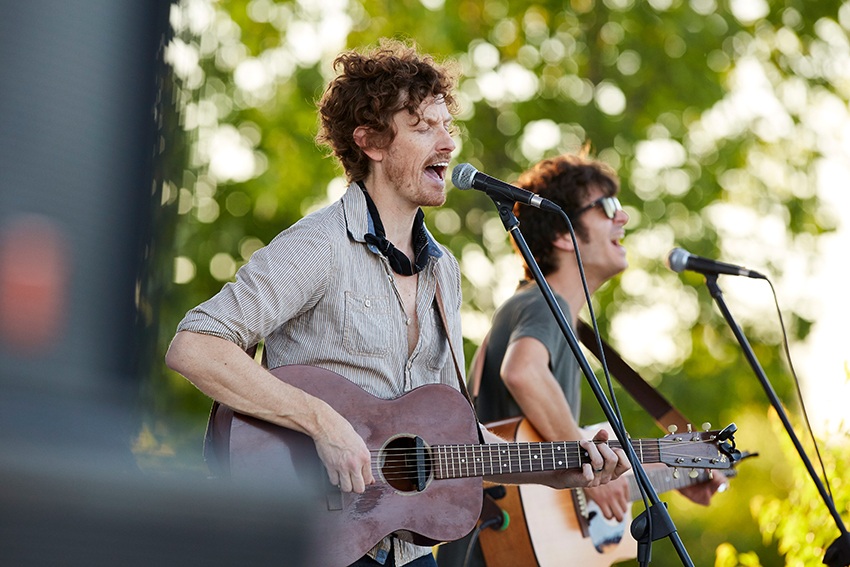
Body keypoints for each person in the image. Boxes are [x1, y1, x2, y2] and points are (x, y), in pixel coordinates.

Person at [165, 40, 630, 567]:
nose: (448, 143)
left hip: (406, 551)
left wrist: (561, 466)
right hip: (312, 539)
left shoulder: (443, 272)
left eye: (446, 125)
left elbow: (457, 441)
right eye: (424, 127)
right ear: (371, 142)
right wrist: (323, 422)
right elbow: (195, 347)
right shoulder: (320, 245)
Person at [437, 152, 726, 567]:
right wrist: (588, 464)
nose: (622, 217)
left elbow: (551, 475)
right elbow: (522, 372)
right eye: (606, 207)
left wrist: (678, 472)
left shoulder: (549, 315)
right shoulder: (542, 302)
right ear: (561, 233)